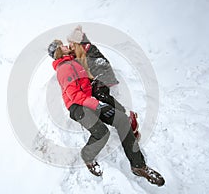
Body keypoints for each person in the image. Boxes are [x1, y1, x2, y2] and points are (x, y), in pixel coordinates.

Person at [48, 40, 165, 186]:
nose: (66, 46)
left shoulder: (73, 62)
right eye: (62, 46)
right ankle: (87, 156)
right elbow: (74, 95)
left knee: (122, 120)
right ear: (59, 51)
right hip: (77, 107)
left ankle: (138, 165)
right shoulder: (64, 68)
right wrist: (98, 105)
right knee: (102, 133)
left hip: (89, 101)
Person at [66, 25, 140, 140]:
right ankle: (121, 118)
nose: (69, 46)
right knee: (94, 96)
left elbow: (102, 64)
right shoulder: (79, 52)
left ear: (76, 43)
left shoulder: (90, 50)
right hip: (96, 78)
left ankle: (126, 115)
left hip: (103, 77)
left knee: (100, 94)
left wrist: (96, 79)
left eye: (71, 43)